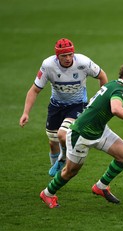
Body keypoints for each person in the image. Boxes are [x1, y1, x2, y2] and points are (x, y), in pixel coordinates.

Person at [40, 62, 123, 208]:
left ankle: (101, 187)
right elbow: (116, 109)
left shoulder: (115, 86)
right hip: (81, 134)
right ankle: (47, 193)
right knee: (70, 172)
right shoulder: (118, 88)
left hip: (100, 130)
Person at [19, 38, 108, 177]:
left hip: (77, 105)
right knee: (52, 142)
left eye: (70, 54)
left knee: (62, 134)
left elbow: (102, 76)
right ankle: (57, 172)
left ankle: (63, 158)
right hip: (56, 106)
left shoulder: (84, 63)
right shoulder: (48, 66)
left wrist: (100, 99)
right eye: (63, 55)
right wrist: (25, 113)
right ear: (57, 56)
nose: (68, 58)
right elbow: (34, 90)